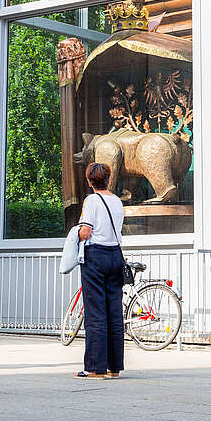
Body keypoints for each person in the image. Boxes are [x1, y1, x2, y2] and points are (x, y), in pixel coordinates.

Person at [75, 162, 125, 379]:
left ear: (89, 181)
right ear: (109, 178)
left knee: (96, 312)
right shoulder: (117, 201)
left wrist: (74, 235)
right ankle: (114, 367)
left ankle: (95, 367)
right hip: (116, 256)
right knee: (114, 312)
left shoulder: (92, 200)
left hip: (96, 257)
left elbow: (86, 232)